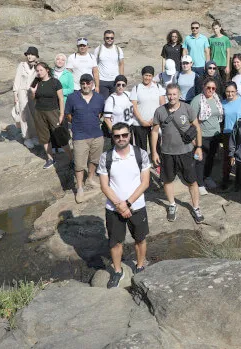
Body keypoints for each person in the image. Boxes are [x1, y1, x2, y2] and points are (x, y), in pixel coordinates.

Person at [98, 123, 151, 288]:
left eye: (124, 135)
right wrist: (119, 205)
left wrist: (127, 203)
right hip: (114, 209)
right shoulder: (105, 157)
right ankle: (118, 270)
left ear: (130, 135)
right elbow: (104, 186)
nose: (121, 139)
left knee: (140, 238)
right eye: (117, 136)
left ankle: (140, 265)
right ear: (112, 137)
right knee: (115, 242)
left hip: (137, 205)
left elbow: (145, 182)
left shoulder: (140, 154)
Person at [150, 83, 205, 223]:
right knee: (167, 180)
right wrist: (154, 152)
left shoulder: (187, 108)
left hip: (186, 151)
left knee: (192, 181)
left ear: (179, 94)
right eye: (169, 94)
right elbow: (155, 132)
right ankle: (172, 204)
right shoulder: (160, 111)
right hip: (167, 153)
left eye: (174, 94)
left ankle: (196, 207)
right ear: (166, 95)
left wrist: (199, 146)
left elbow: (197, 127)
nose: (172, 97)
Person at [65, 73, 106, 204]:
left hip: (97, 134)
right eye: (83, 83)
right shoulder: (72, 97)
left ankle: (90, 178)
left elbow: (100, 113)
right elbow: (68, 115)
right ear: (80, 84)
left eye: (88, 83)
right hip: (80, 135)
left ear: (92, 84)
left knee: (95, 159)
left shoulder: (99, 98)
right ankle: (80, 188)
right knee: (79, 163)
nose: (85, 85)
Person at [190, 77, 223, 194]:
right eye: (208, 87)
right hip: (202, 135)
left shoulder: (217, 98)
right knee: (200, 160)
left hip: (215, 135)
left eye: (213, 88)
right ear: (203, 87)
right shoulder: (197, 100)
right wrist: (193, 139)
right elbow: (191, 120)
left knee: (211, 158)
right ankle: (200, 183)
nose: (211, 90)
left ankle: (207, 177)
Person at [30, 62, 64, 168]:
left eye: (41, 70)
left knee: (60, 134)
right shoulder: (35, 82)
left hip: (53, 111)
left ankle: (71, 157)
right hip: (39, 111)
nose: (39, 72)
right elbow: (33, 98)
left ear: (47, 70)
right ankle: (50, 159)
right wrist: (33, 92)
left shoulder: (55, 82)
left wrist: (61, 113)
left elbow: (61, 99)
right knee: (44, 136)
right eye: (37, 71)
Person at [130, 66, 166, 152]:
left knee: (156, 147)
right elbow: (133, 106)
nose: (148, 78)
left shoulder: (158, 87)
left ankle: (156, 163)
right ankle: (143, 164)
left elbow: (162, 104)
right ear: (142, 76)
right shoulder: (136, 88)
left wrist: (155, 119)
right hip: (139, 124)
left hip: (155, 123)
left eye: (150, 76)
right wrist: (142, 121)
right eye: (146, 75)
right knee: (141, 149)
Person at [221, 82, 241, 190]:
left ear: (236, 91)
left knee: (240, 158)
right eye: (228, 91)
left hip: (240, 133)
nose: (230, 94)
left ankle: (240, 182)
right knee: (228, 158)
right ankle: (225, 180)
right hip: (227, 133)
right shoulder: (222, 103)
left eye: (232, 91)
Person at [13, 46, 39, 148]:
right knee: (24, 115)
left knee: (34, 114)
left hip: (33, 94)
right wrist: (15, 96)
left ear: (36, 56)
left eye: (32, 54)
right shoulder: (22, 65)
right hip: (22, 92)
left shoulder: (37, 67)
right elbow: (17, 81)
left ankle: (34, 135)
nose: (29, 56)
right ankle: (26, 137)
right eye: (28, 54)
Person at [94, 30, 125, 100]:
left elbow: (121, 64)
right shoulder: (98, 49)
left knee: (115, 101)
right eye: (107, 38)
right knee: (103, 102)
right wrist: (96, 84)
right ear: (104, 38)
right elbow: (94, 66)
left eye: (111, 38)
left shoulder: (118, 49)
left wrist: (122, 79)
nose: (109, 40)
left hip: (115, 80)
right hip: (102, 80)